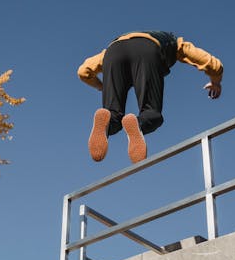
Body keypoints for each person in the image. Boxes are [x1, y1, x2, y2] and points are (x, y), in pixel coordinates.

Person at [78, 31, 223, 163]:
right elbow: (211, 63)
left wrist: (101, 86)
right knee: (151, 112)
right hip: (148, 50)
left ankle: (108, 119)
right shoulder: (175, 43)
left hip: (113, 52)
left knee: (112, 113)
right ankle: (139, 123)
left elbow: (83, 71)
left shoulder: (107, 51)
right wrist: (215, 81)